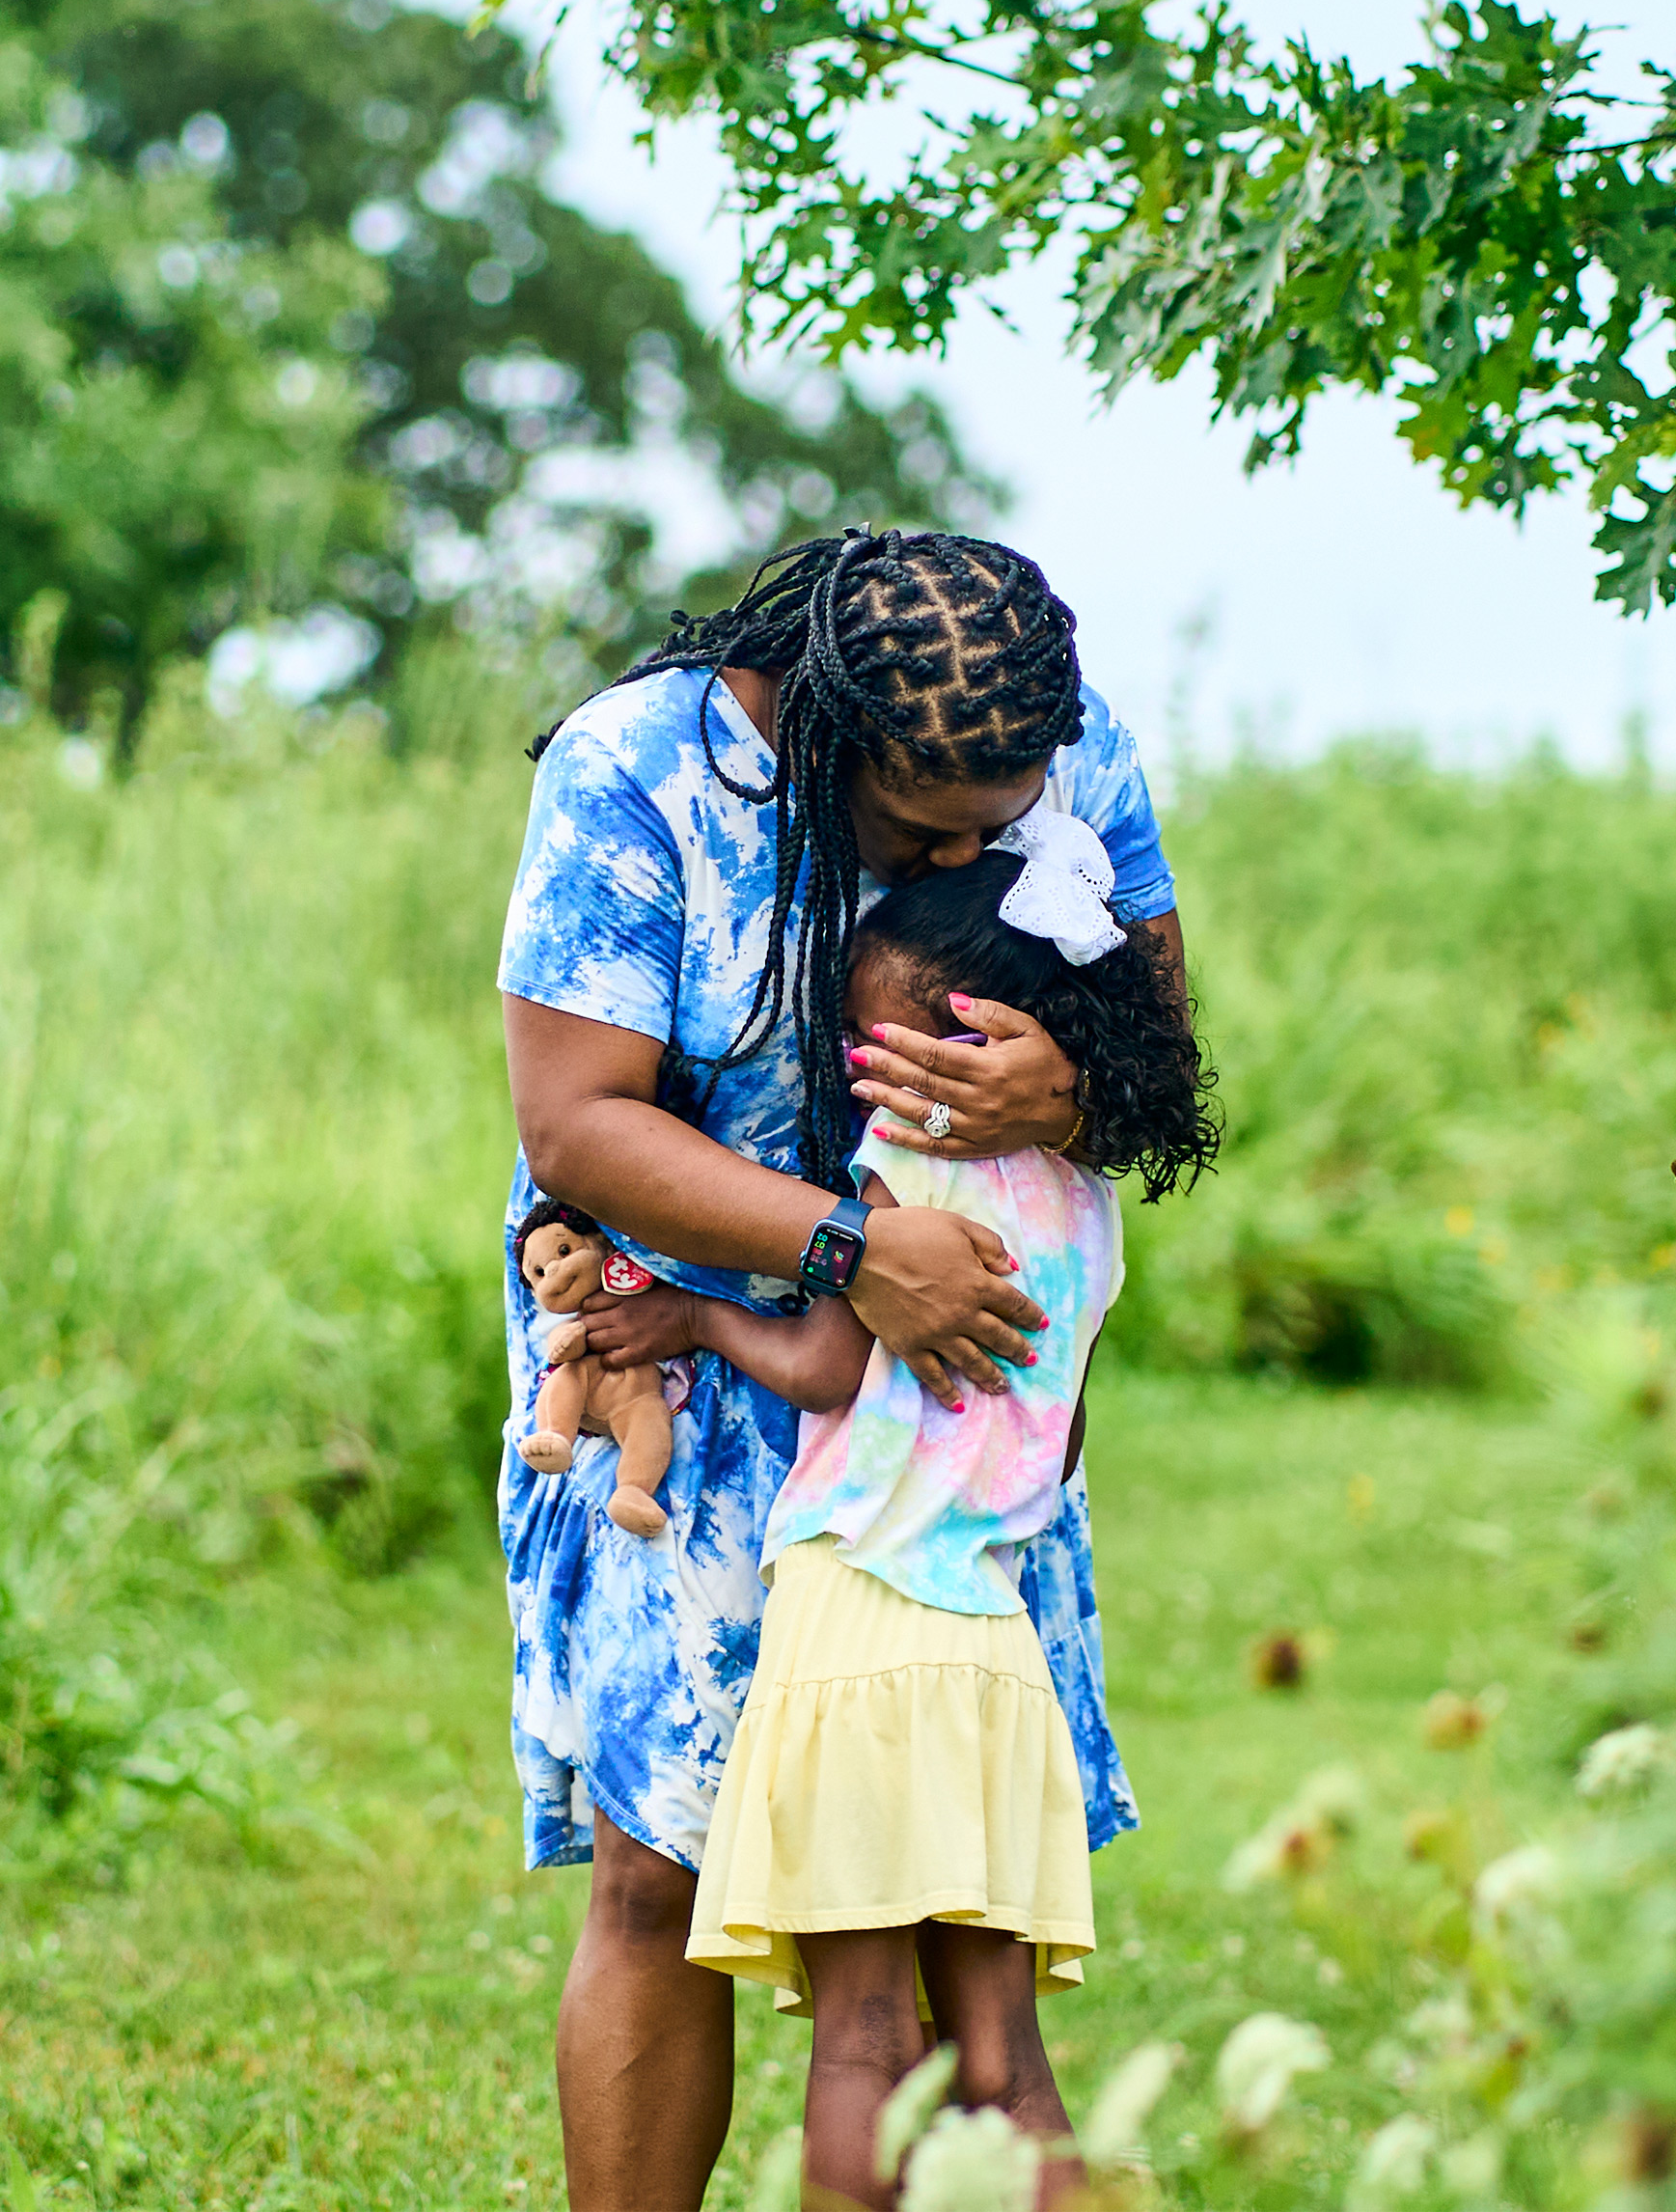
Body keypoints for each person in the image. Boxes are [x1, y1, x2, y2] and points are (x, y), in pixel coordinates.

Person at [496, 527, 1185, 2211]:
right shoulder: (638, 771)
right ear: (817, 731)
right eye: (927, 825)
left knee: (947, 1932)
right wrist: (846, 1250)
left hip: (942, 1402)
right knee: (665, 1868)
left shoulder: (1071, 747)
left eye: (1003, 822)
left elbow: (1159, 1057)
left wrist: (1065, 1102)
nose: (972, 849)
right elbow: (576, 1119)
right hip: (683, 1325)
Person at [582, 835, 1219, 2209]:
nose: (853, 1066)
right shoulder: (1091, 1202)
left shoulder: (900, 1170)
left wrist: (693, 1313)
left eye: (871, 1037)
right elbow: (1064, 1434)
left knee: (868, 2039)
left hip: (856, 1620)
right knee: (1007, 2060)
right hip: (991, 1646)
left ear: (960, 1038)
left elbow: (821, 1366)